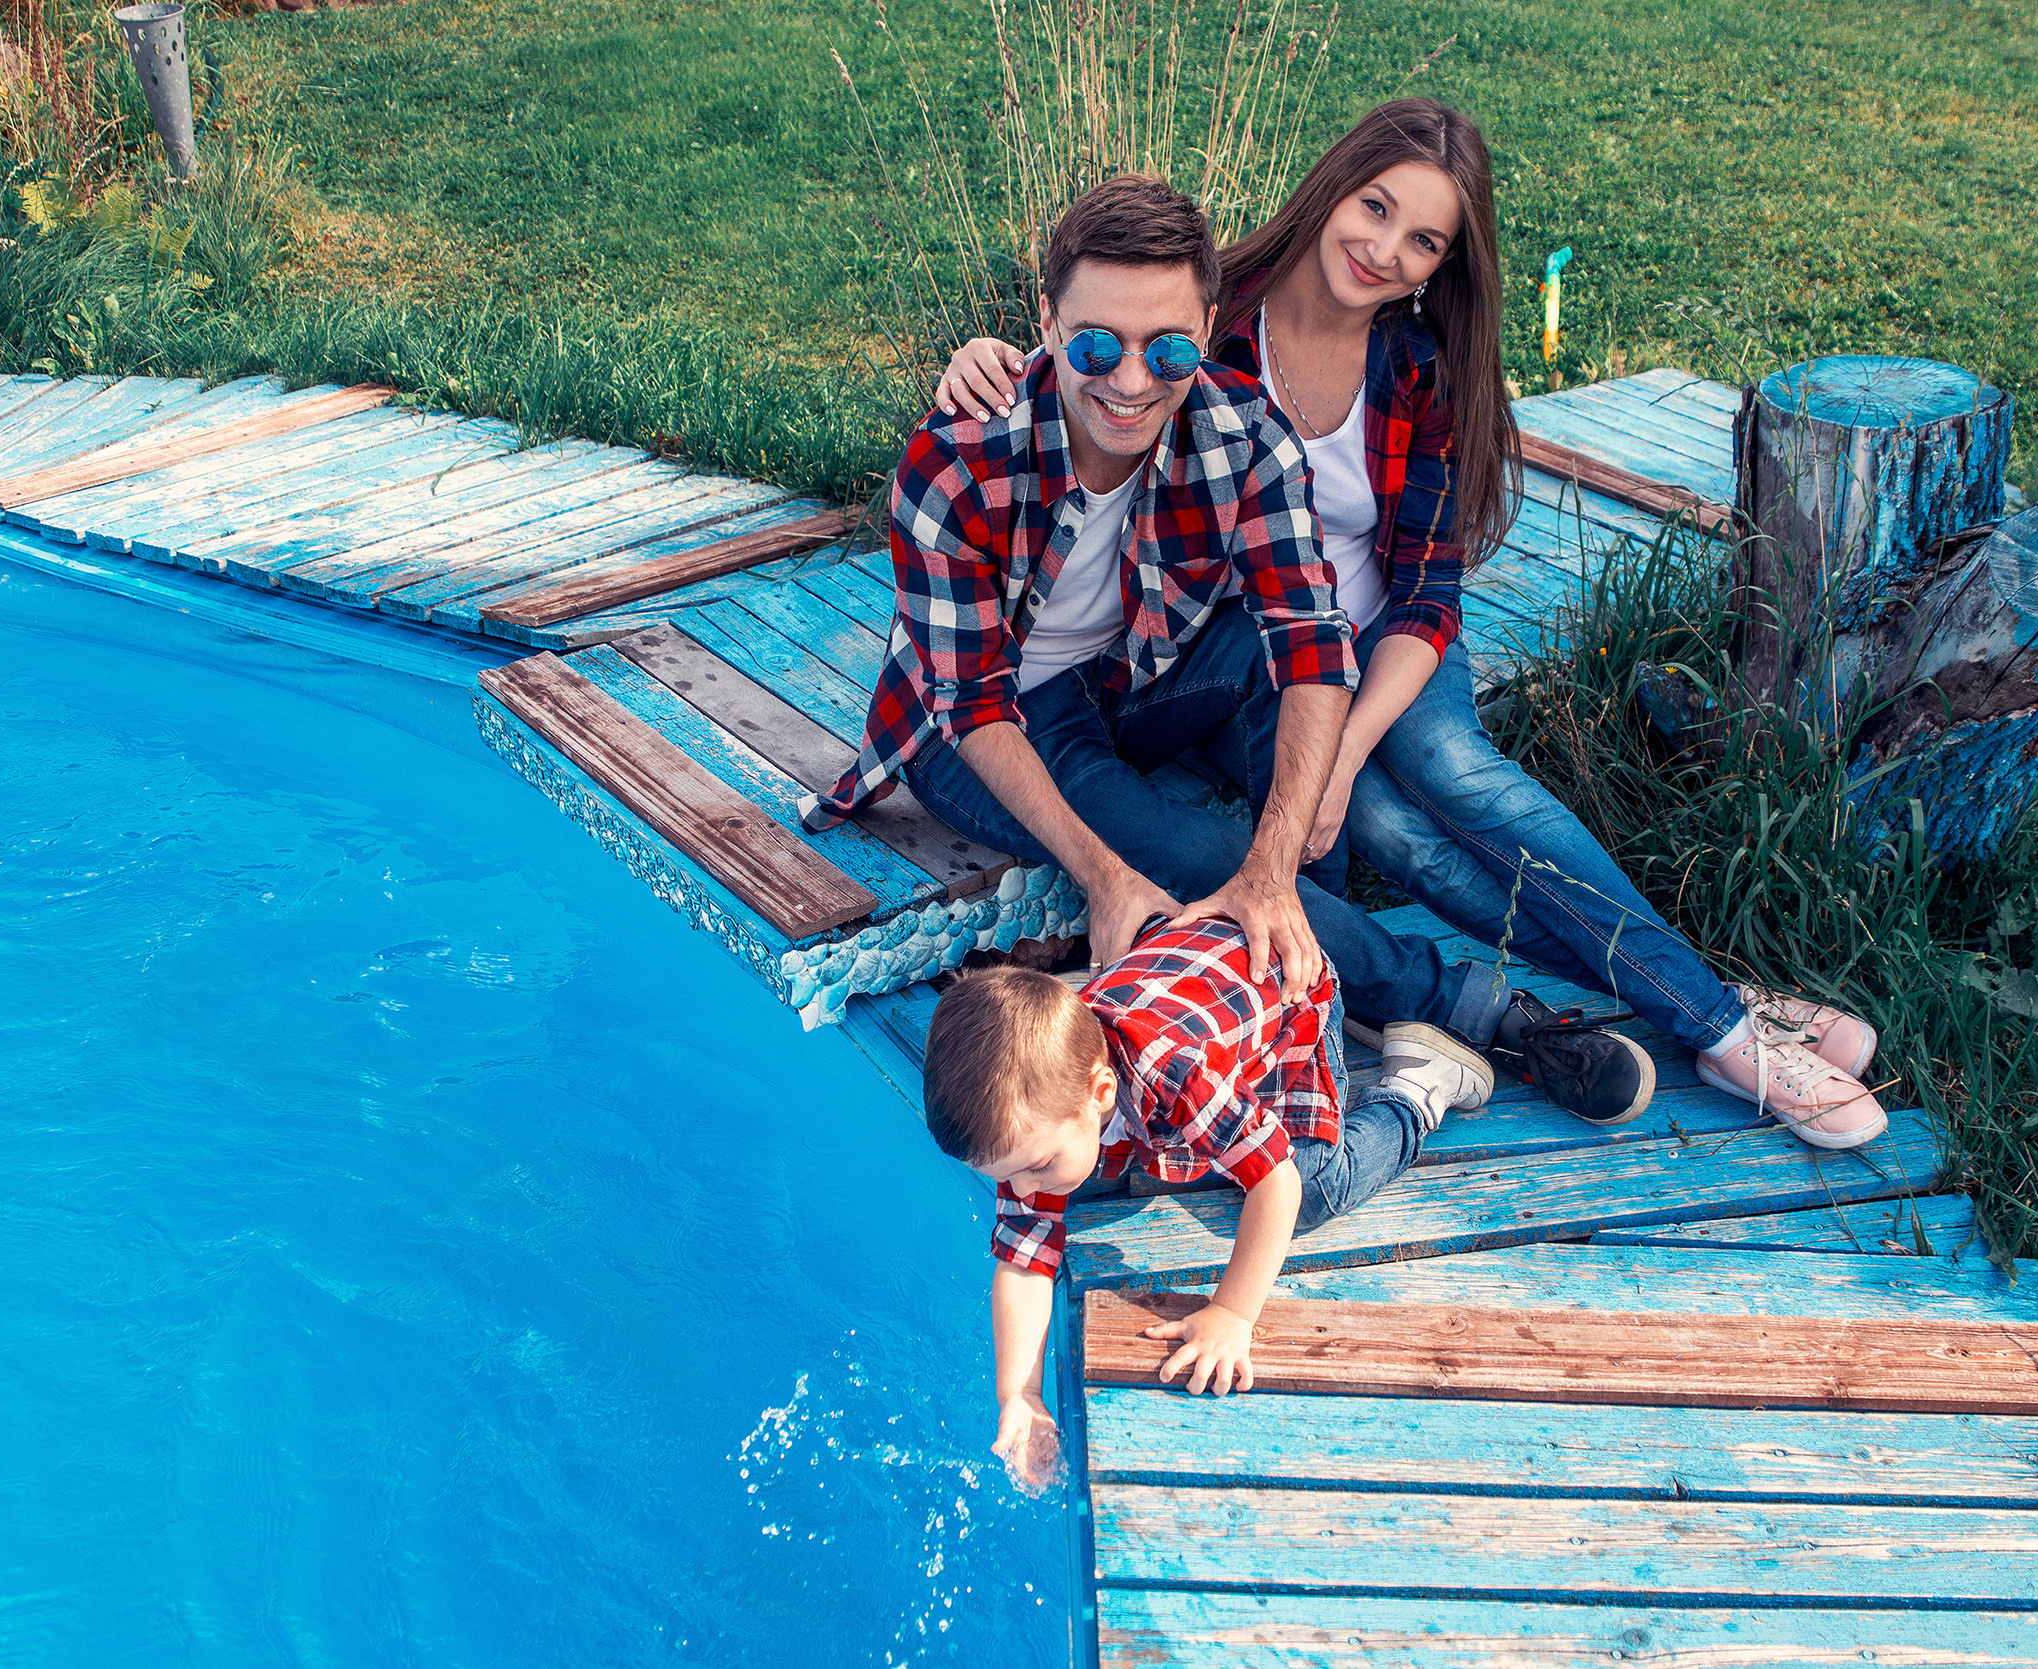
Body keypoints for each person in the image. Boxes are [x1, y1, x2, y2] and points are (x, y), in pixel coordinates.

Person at [933, 101, 1887, 1150]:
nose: (1385, 249)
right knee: (1400, 840)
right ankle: (1659, 997)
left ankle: (1716, 1020)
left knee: (1454, 773)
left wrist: (1339, 756)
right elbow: (1093, 356)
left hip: (1377, 639)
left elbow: (1424, 591)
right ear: (1332, 186)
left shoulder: (1410, 366)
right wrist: (993, 361)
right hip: (1230, 647)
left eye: (1423, 239)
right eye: (1376, 207)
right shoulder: (1210, 322)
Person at [807, 172, 1649, 1110]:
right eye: (1095, 344)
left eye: (1167, 348)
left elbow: (1312, 641)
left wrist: (1275, 867)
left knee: (1266, 681)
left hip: (1122, 679)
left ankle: (1305, 961)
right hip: (979, 732)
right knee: (1195, 850)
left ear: (1209, 329)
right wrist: (1106, 878)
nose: (1130, 382)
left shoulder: (1243, 431)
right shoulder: (956, 460)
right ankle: (1467, 1005)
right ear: (1047, 322)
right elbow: (971, 707)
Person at [922, 916, 1488, 1487]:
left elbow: (1277, 1184)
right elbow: (1024, 1260)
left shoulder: (1178, 1070)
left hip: (1293, 998)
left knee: (1312, 1188)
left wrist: (1232, 1314)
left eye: (1037, 1166)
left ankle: (1418, 1090)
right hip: (1199, 970)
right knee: (1114, 1162)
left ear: (1102, 1092)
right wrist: (1020, 1394)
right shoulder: (1048, 1099)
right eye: (1006, 1176)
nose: (1023, 1190)